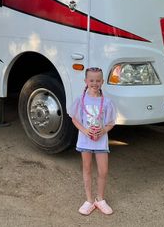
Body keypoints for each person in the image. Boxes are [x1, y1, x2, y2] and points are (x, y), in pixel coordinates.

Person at [69, 66, 117, 216]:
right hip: (85, 141)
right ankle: (89, 200)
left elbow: (111, 122)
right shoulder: (80, 100)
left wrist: (103, 130)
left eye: (98, 80)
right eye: (91, 80)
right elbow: (74, 118)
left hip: (101, 141)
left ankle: (100, 199)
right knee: (87, 168)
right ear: (86, 81)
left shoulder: (107, 102)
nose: (94, 83)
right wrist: (84, 131)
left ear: (102, 82)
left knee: (103, 170)